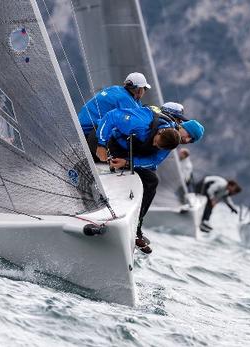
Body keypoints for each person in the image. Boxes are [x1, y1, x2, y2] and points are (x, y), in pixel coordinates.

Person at [95, 106, 204, 253]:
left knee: (152, 180)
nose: (188, 140)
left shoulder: (171, 141)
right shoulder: (142, 123)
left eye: (191, 141)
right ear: (182, 127)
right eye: (190, 135)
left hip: (129, 155)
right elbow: (111, 116)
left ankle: (136, 228)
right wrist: (101, 144)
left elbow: (153, 162)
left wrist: (127, 163)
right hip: (113, 144)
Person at [78, 72, 150, 136]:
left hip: (80, 124)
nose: (144, 91)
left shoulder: (115, 88)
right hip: (88, 131)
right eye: (145, 88)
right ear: (139, 89)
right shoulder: (125, 100)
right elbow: (139, 122)